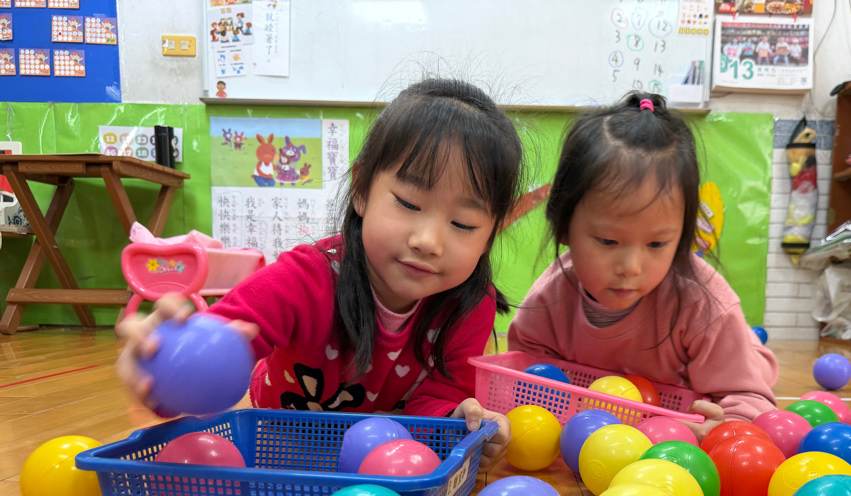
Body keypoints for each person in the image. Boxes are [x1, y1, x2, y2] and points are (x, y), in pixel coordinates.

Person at [116, 78, 523, 470]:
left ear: (491, 232)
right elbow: (214, 350)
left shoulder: (470, 303)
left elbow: (442, 393)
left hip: (382, 454)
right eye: (408, 203)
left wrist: (458, 419)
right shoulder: (305, 278)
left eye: (464, 224)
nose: (428, 241)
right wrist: (162, 364)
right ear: (361, 189)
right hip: (285, 435)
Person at [507, 92, 777, 442]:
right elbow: (526, 379)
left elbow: (751, 401)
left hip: (727, 360)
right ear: (563, 228)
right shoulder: (549, 302)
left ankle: (748, 343)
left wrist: (721, 428)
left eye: (656, 244)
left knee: (743, 358)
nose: (631, 268)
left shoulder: (703, 305)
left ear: (682, 238)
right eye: (608, 241)